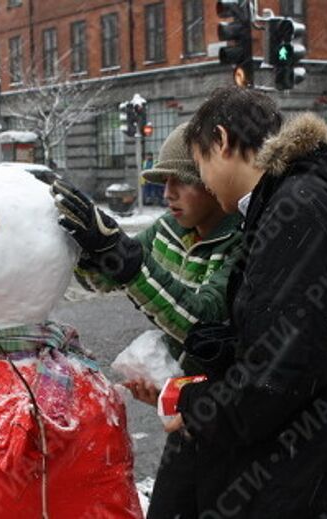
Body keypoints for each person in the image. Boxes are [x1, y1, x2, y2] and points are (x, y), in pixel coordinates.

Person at [167, 86, 327, 518]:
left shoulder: (296, 209)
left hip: (324, 487)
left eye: (200, 164)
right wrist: (225, 345)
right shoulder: (293, 201)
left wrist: (190, 406)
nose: (202, 180)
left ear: (222, 141)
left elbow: (275, 381)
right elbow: (298, 338)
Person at [50, 123, 243, 519]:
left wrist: (123, 260)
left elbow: (200, 319)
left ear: (212, 179)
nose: (167, 192)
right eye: (163, 181)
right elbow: (104, 276)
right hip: (186, 412)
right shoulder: (170, 228)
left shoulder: (240, 240)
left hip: (232, 417)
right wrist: (87, 248)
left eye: (181, 181)